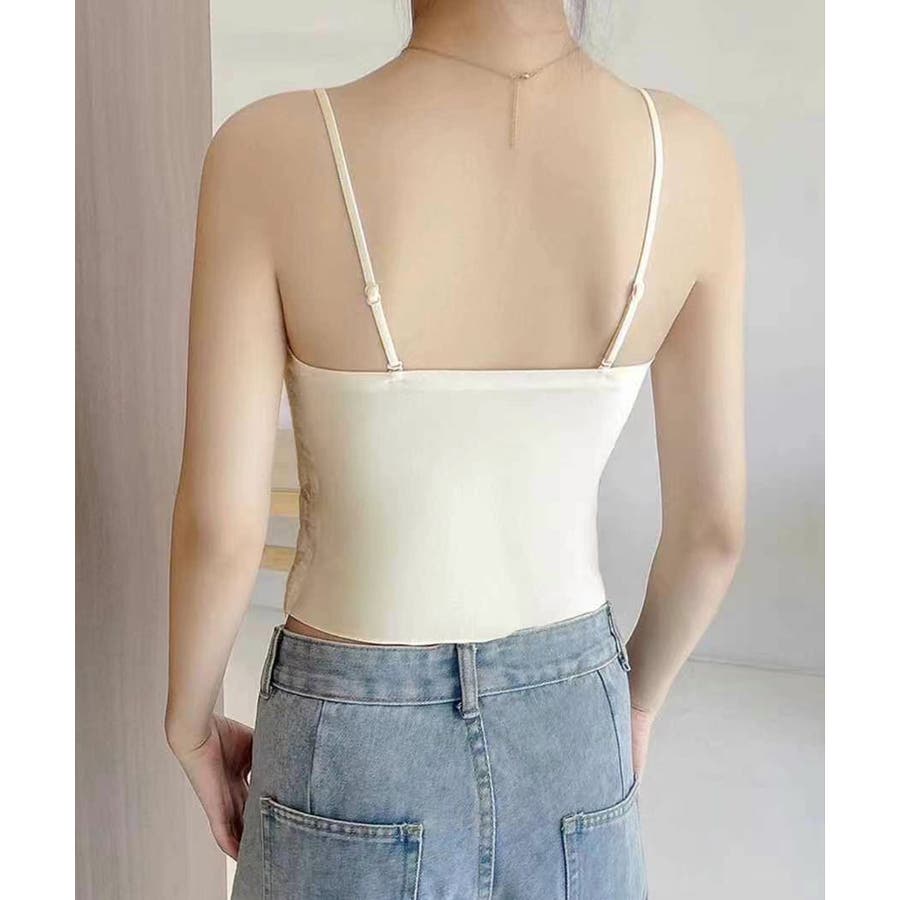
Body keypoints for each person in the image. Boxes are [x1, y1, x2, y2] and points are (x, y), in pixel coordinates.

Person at [165, 1, 745, 896]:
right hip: (572, 714)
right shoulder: (691, 155)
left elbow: (221, 529)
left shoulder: (268, 149)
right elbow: (712, 532)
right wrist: (633, 704)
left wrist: (191, 725)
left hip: (351, 726)